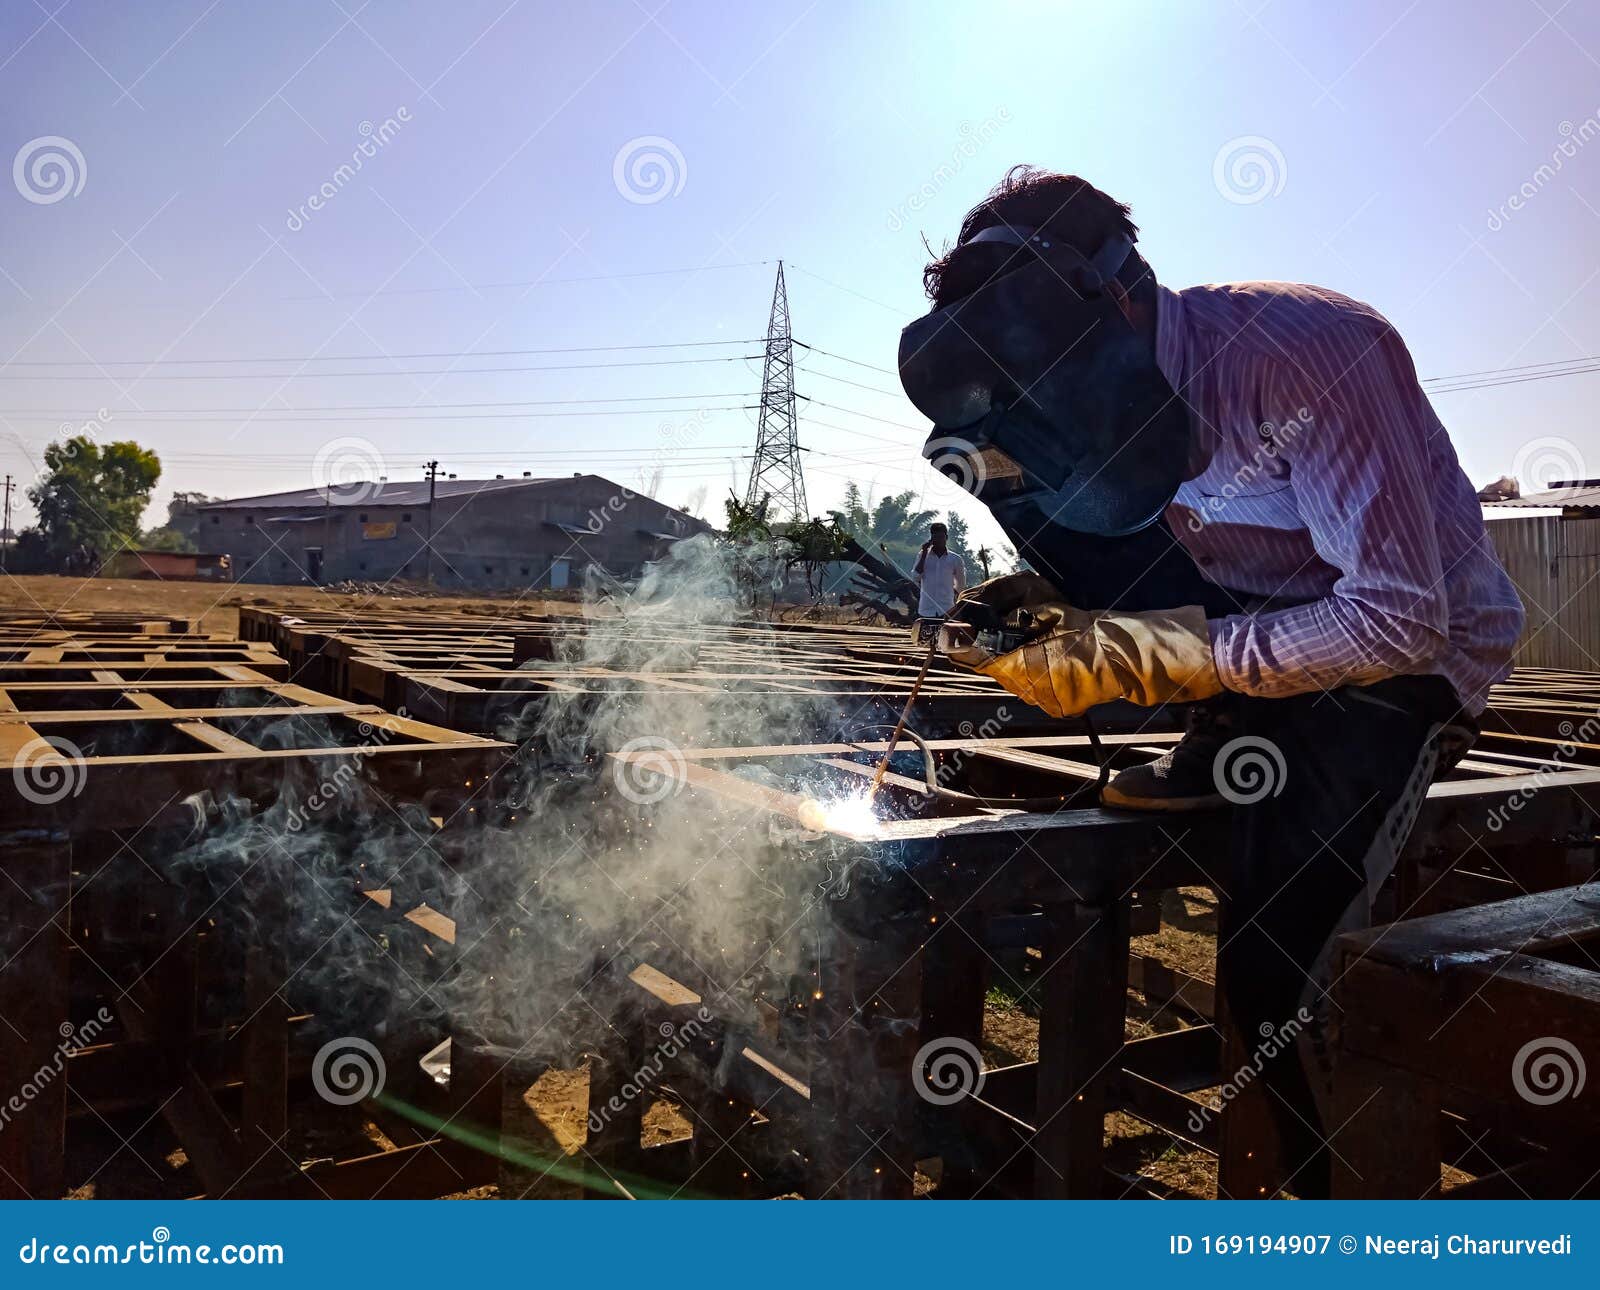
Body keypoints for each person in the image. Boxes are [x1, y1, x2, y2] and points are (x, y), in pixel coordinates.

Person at [897, 166, 1524, 1196]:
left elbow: (1400, 619)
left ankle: (1340, 1220)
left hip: (1407, 661)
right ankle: (1224, 722)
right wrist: (1060, 623)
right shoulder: (1056, 401)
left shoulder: (1302, 356)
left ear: (1123, 293)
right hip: (1253, 635)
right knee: (999, 470)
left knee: (1274, 969)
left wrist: (1159, 657)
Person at [912, 521, 966, 619]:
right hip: (926, 610)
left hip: (947, 609)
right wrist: (924, 553)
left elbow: (961, 584)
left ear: (946, 537)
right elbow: (916, 577)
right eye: (936, 537)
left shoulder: (955, 559)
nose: (939, 540)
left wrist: (953, 595)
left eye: (942, 537)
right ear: (932, 539)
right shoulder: (922, 555)